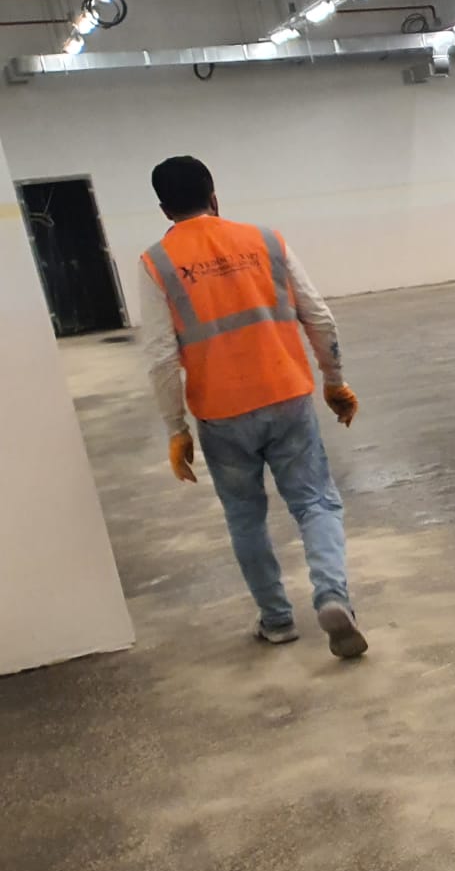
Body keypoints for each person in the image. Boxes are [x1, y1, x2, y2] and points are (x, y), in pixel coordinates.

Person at [138, 155, 368, 659]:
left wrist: (176, 428)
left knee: (245, 516)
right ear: (214, 197)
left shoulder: (156, 263)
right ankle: (332, 597)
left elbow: (159, 357)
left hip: (220, 414)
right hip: (287, 397)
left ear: (165, 209)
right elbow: (319, 317)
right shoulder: (266, 241)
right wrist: (334, 381)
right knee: (315, 502)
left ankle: (278, 621)